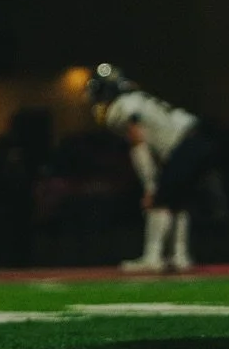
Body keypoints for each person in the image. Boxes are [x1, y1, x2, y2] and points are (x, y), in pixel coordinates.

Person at [86, 65, 214, 273]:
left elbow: (138, 141)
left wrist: (150, 185)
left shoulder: (121, 107)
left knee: (159, 201)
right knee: (178, 202)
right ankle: (180, 257)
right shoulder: (138, 98)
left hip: (183, 146)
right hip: (198, 139)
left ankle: (153, 256)